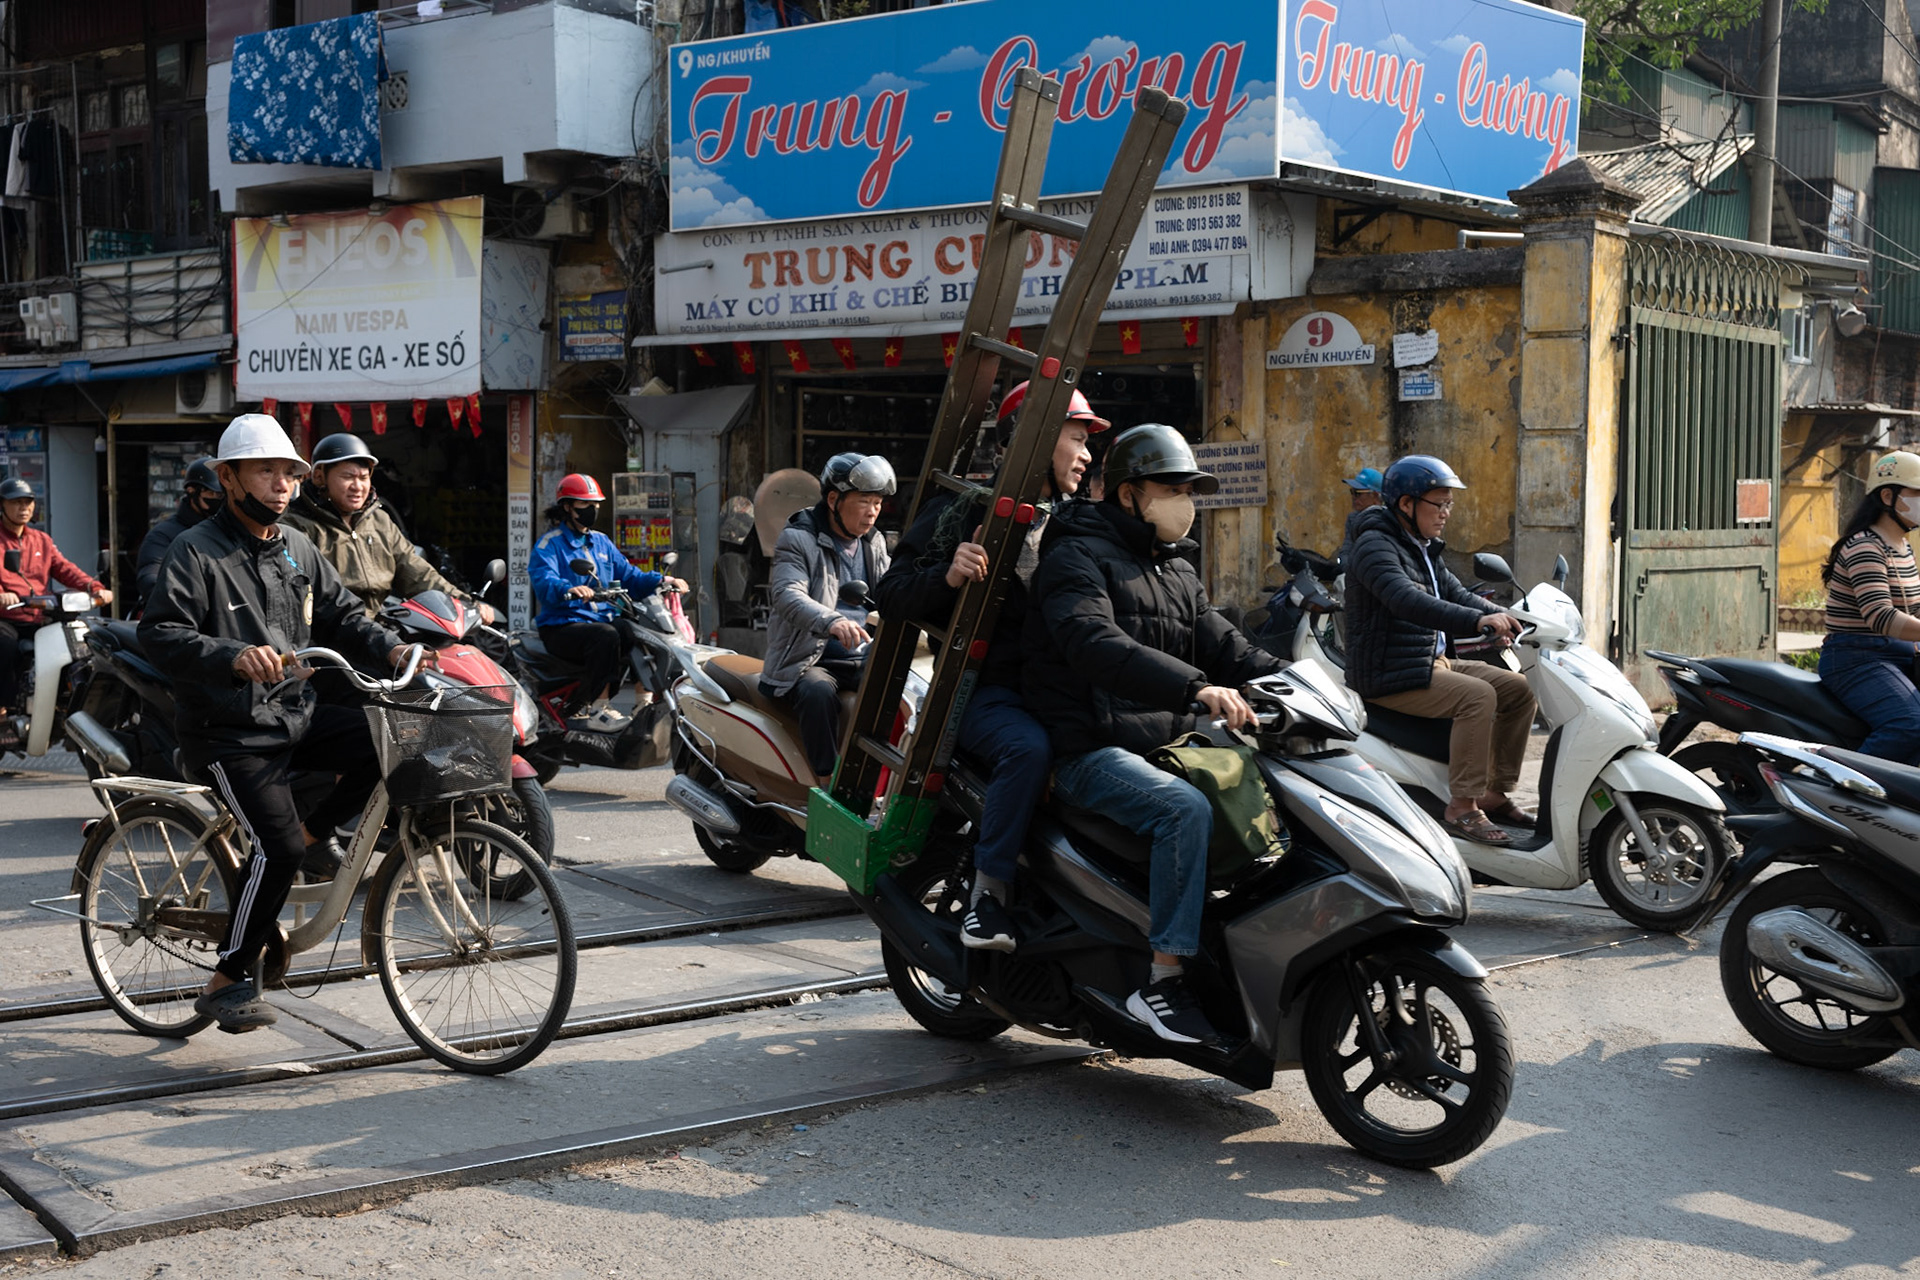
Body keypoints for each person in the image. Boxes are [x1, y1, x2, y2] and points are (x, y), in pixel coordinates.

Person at [140, 414, 416, 1034]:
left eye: (288, 473)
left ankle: (316, 833)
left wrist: (395, 648)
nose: (280, 483)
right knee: (277, 846)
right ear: (228, 477)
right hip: (226, 731)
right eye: (265, 471)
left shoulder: (296, 545)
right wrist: (232, 657)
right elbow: (160, 633)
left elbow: (344, 614)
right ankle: (227, 979)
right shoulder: (195, 550)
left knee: (386, 741)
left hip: (293, 712)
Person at [1023, 425, 1280, 1046]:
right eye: (1172, 488)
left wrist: (1298, 680)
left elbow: (1226, 645)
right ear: (1129, 493)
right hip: (1085, 748)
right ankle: (1163, 983)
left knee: (1266, 791)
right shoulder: (1075, 557)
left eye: (1190, 490)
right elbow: (1095, 643)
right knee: (1183, 810)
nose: (1185, 502)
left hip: (1159, 744)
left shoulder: (1175, 568)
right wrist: (1196, 688)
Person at [875, 382, 1108, 951]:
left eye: (1087, 443)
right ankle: (988, 898)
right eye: (1076, 439)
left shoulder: (1078, 521)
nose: (1086, 455)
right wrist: (948, 574)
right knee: (1027, 750)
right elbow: (893, 593)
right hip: (984, 694)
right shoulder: (963, 509)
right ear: (1034, 440)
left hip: (1057, 693)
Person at [1345, 455, 1533, 843]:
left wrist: (1512, 617)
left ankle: (1495, 793)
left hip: (1429, 662)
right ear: (1406, 504)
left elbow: (1457, 593)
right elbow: (1406, 600)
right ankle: (1461, 806)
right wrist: (1477, 622)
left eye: (1450, 504)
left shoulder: (1421, 546)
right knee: (1478, 697)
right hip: (1388, 672)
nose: (1446, 513)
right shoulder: (1375, 546)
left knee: (1518, 689)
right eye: (1440, 504)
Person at [762, 452, 895, 782]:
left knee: (902, 690)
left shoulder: (874, 542)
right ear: (834, 500)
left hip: (863, 656)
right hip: (811, 658)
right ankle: (825, 780)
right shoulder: (798, 538)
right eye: (864, 501)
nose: (872, 511)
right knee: (817, 692)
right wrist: (832, 621)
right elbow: (787, 594)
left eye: (878, 503)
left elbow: (890, 591)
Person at [528, 473, 686, 729]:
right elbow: (544, 579)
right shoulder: (550, 544)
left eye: (595, 504)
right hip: (561, 625)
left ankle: (643, 704)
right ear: (567, 507)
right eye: (584, 504)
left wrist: (663, 581)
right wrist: (569, 588)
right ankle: (598, 709)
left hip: (599, 619)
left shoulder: (601, 542)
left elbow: (630, 576)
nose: (591, 509)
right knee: (606, 636)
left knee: (638, 630)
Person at [282, 433, 492, 623]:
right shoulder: (296, 526)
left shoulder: (379, 521)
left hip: (378, 628)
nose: (358, 486)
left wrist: (464, 603)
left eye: (364, 477)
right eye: (347, 477)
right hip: (329, 633)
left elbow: (416, 572)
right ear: (319, 477)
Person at [1818, 450, 1920, 760]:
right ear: (1888, 496)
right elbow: (1881, 616)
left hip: (1897, 655)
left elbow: (1913, 609)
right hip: (1856, 659)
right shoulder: (1865, 546)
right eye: (1917, 493)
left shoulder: (1902, 547)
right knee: (1910, 724)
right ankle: (1845, 786)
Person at [0, 477, 110, 723]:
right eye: (16, 502)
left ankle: (65, 704)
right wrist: (2, 596)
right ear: (2, 505)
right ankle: (3, 708)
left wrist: (94, 587)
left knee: (78, 644)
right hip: (8, 615)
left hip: (40, 613)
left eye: (28, 502)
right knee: (5, 646)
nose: (23, 508)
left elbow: (65, 569)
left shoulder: (42, 540)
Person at [135, 458, 223, 610]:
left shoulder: (229, 531)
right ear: (191, 491)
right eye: (211, 493)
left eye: (221, 495)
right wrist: (188, 605)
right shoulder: (163, 535)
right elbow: (150, 577)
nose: (217, 499)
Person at [1336, 465, 1383, 565]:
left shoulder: (1389, 519)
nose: (1353, 497)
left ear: (1375, 496)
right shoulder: (1353, 519)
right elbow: (1347, 550)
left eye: (1358, 493)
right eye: (1352, 492)